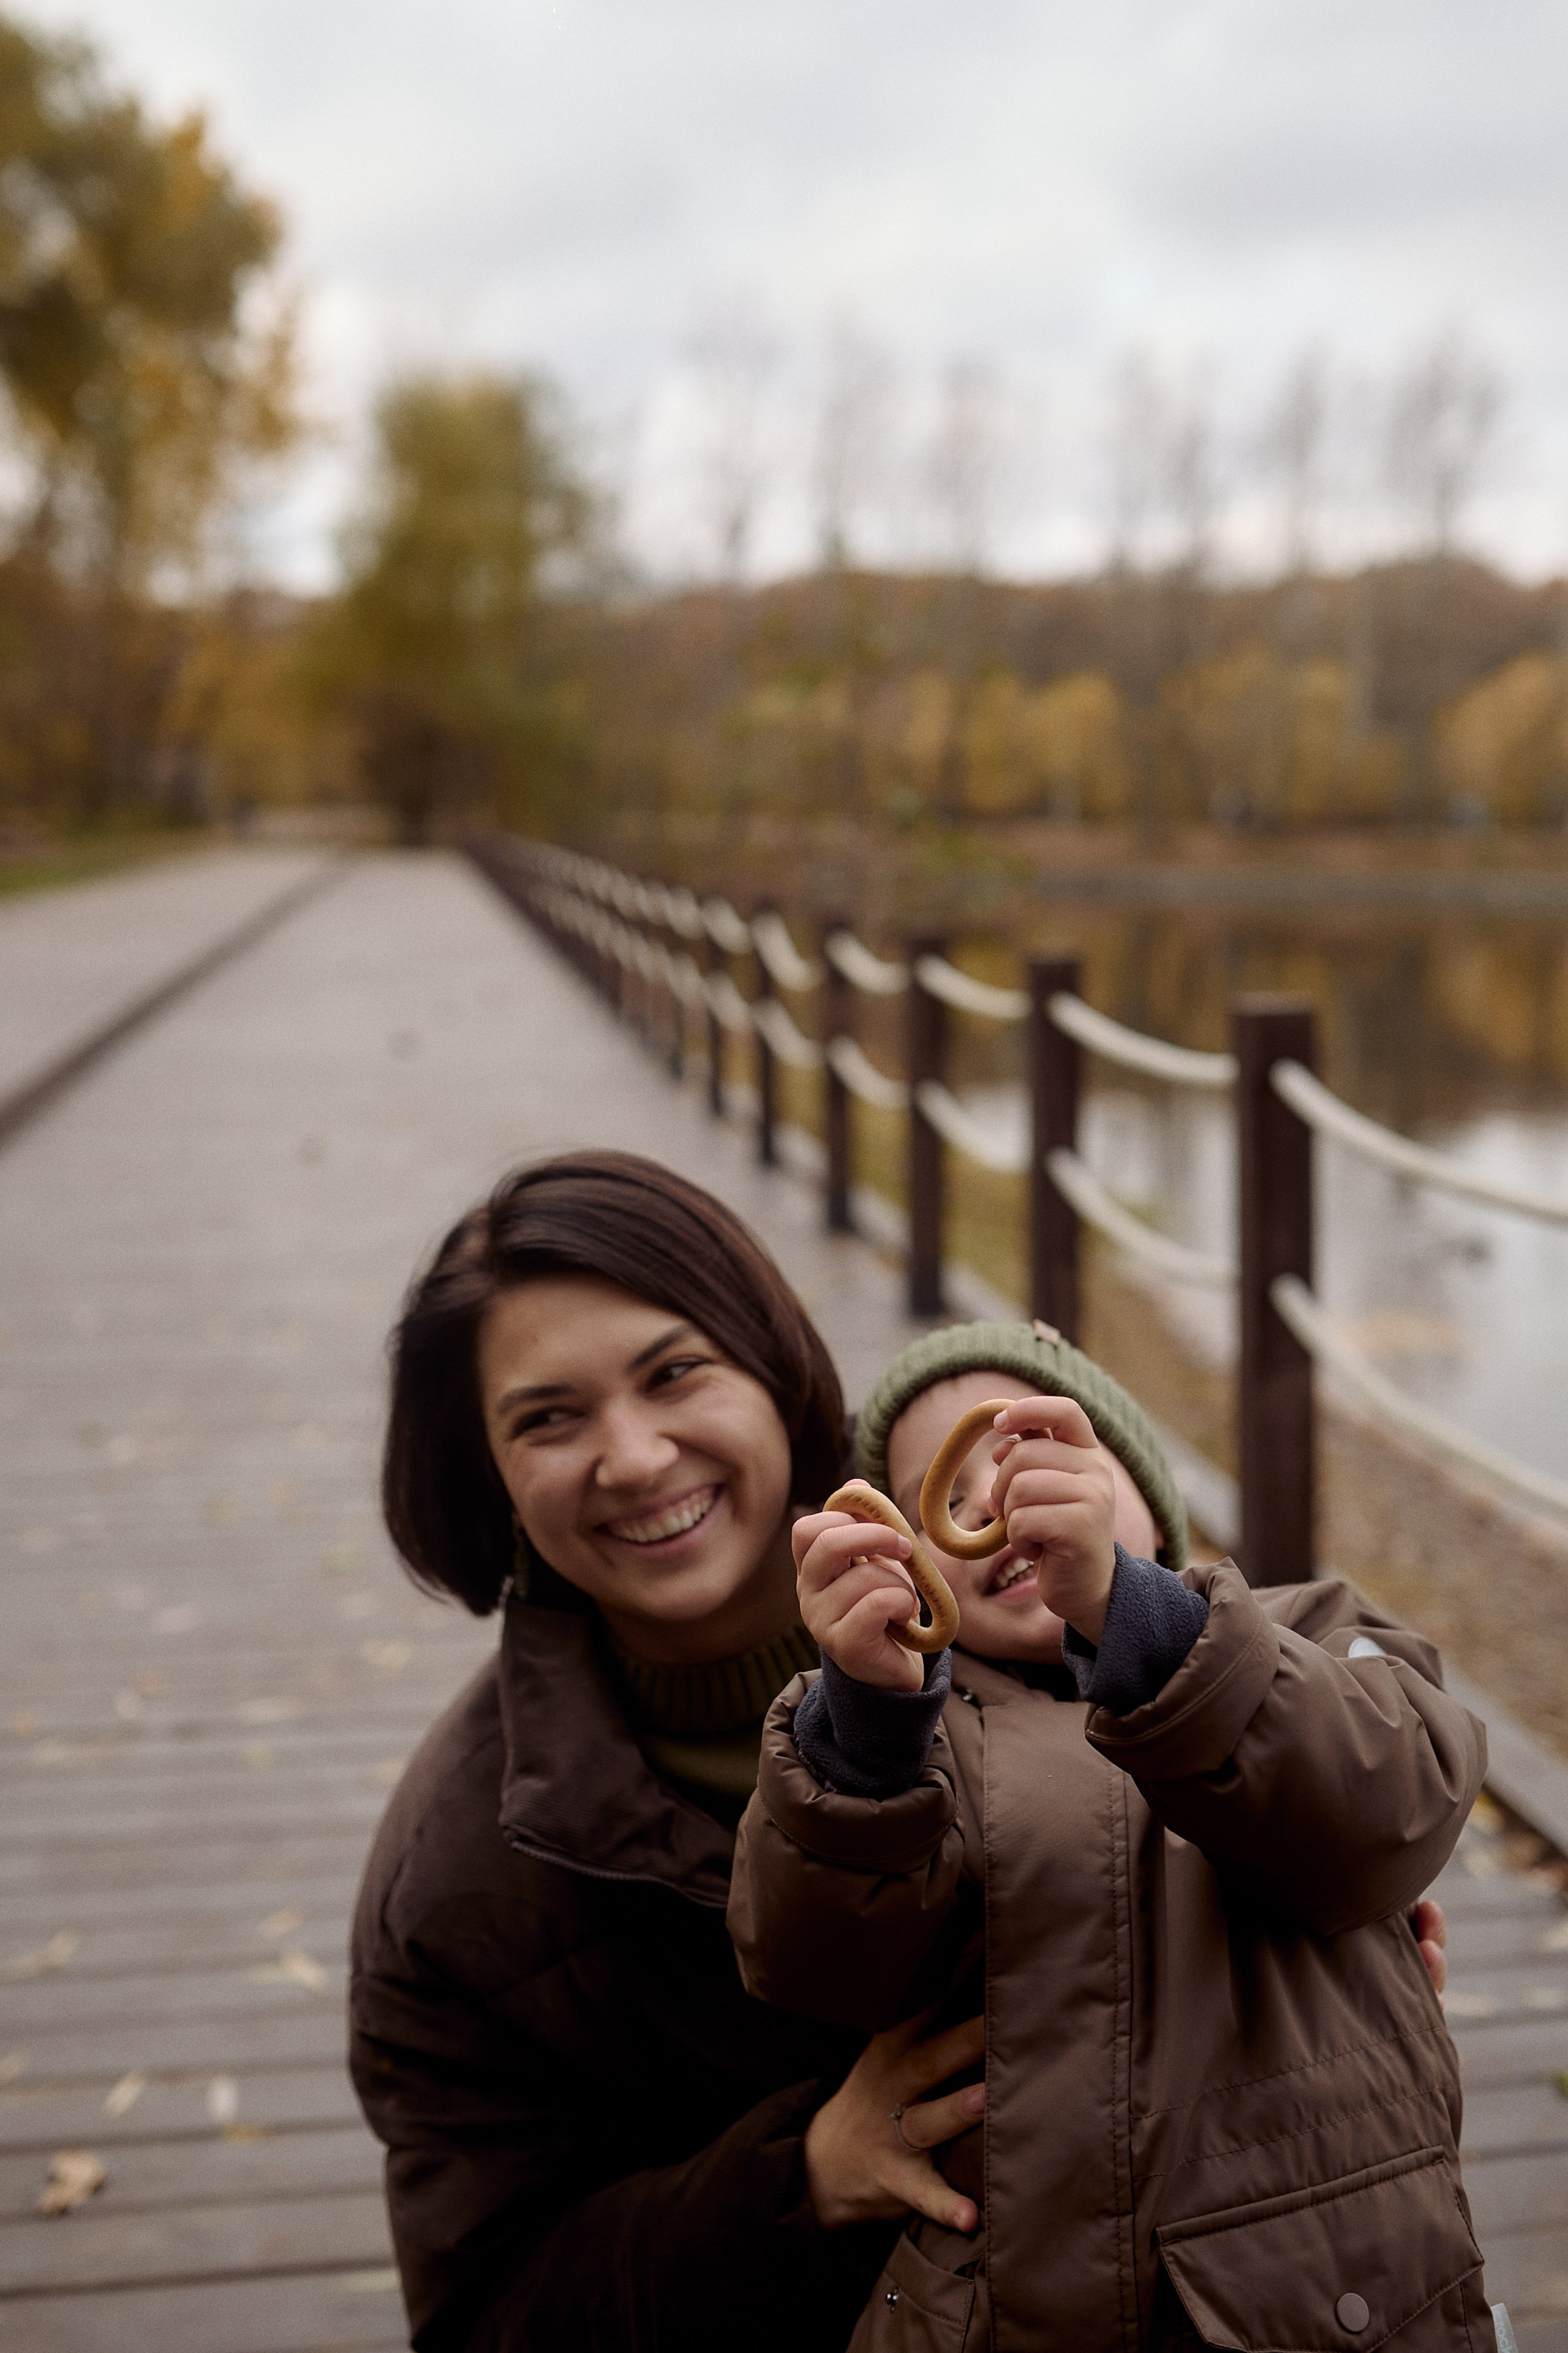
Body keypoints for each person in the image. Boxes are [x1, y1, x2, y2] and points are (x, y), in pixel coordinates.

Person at [728, 1319, 1492, 2352]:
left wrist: (1137, 1620)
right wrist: (865, 1728)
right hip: (1004, 2300)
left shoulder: (1304, 1631)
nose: (993, 1511)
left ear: (1136, 1485)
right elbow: (819, 1968)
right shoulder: (919, 1740)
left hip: (1344, 2287)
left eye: (1029, 1458)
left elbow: (1390, 1807)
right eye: (945, 1505)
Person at [350, 1151, 990, 2353]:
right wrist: (802, 2175)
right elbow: (490, 2313)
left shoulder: (1003, 1597)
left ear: (769, 1361)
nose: (635, 1457)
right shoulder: (454, 1894)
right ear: (485, 1471)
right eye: (549, 1417)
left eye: (674, 1372)